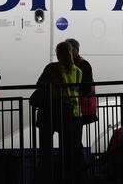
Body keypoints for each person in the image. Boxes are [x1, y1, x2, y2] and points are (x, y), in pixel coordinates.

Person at [34, 41, 83, 184]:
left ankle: (47, 176)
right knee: (68, 149)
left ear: (58, 53)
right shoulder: (78, 71)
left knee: (46, 147)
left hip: (51, 111)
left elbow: (39, 84)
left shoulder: (52, 68)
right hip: (71, 112)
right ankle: (67, 176)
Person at [66, 38, 97, 125]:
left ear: (77, 50)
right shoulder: (81, 64)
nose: (68, 52)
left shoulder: (82, 65)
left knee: (74, 132)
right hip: (78, 106)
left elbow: (86, 87)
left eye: (70, 49)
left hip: (80, 106)